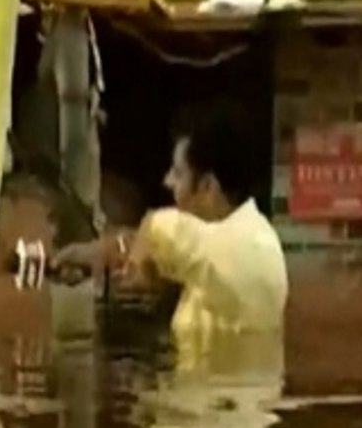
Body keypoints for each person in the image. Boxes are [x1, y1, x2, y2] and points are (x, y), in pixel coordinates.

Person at [53, 111, 288, 340]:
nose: (167, 182)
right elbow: (168, 242)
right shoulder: (242, 236)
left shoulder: (243, 249)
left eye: (178, 173)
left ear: (207, 186)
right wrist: (108, 251)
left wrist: (136, 265)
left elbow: (156, 226)